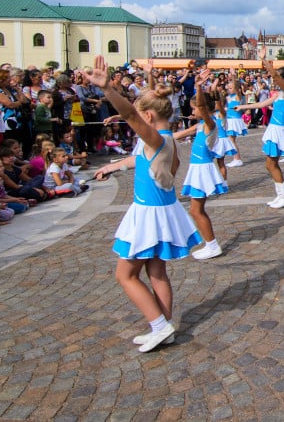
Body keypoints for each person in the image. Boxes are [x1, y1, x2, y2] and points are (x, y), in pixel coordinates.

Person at [88, 55, 202, 353]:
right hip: (161, 210)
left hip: (149, 213)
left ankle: (159, 325)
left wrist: (108, 91)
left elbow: (133, 117)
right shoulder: (167, 138)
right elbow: (140, 153)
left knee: (125, 274)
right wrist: (114, 167)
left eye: (142, 116)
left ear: (148, 118)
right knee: (156, 273)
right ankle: (163, 326)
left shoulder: (155, 139)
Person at [174, 68, 228, 261]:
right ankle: (210, 244)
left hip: (203, 170)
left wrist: (197, 87)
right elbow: (174, 136)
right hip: (197, 169)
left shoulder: (209, 124)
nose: (193, 111)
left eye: (194, 108)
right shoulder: (198, 126)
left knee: (196, 210)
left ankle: (212, 245)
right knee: (196, 209)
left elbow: (203, 109)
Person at [236, 49, 284, 208]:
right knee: (270, 164)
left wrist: (264, 60)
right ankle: (282, 195)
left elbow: (276, 77)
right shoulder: (279, 94)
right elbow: (261, 104)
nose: (273, 79)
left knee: (271, 164)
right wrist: (242, 106)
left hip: (279, 131)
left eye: (276, 77)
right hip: (274, 130)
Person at [224, 77, 247, 167]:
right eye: (228, 88)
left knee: (231, 140)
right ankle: (236, 158)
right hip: (229, 119)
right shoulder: (229, 97)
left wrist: (233, 75)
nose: (229, 90)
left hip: (234, 119)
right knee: (231, 140)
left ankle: (237, 159)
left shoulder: (238, 96)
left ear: (237, 89)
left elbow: (238, 86)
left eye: (231, 88)